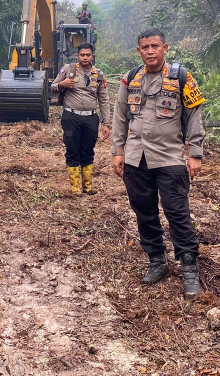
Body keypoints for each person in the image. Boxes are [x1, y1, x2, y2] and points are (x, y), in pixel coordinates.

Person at [111, 29, 206, 298]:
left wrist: (195, 153)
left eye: (155, 46)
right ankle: (157, 261)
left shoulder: (181, 78)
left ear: (165, 48)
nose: (150, 51)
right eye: (144, 47)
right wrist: (118, 151)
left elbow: (195, 115)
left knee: (177, 212)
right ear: (138, 51)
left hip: (170, 157)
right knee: (144, 211)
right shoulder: (131, 78)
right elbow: (120, 116)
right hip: (135, 156)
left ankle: (189, 269)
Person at [50, 42, 111, 195]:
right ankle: (75, 188)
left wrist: (107, 123)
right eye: (82, 55)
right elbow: (52, 87)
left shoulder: (99, 74)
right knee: (72, 150)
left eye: (88, 55)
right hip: (71, 116)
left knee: (88, 150)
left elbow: (104, 100)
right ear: (77, 56)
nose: (85, 58)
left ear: (92, 56)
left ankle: (88, 187)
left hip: (90, 118)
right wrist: (62, 84)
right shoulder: (68, 69)